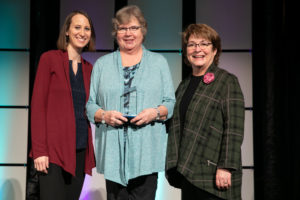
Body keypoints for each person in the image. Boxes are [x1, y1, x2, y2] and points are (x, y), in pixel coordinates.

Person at [86, 5, 175, 200]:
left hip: (147, 151)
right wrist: (104, 115)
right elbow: (90, 105)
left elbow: (170, 103)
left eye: (133, 28)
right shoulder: (102, 64)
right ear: (115, 32)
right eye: (122, 28)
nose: (128, 33)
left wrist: (154, 112)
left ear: (143, 30)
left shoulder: (159, 63)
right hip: (112, 152)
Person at [166, 24, 245, 200]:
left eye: (204, 44)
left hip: (215, 173)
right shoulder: (184, 85)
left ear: (215, 50)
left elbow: (234, 129)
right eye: (192, 44)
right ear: (186, 51)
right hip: (188, 171)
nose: (197, 49)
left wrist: (226, 167)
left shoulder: (226, 81)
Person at [30, 10, 96, 200]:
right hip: (52, 151)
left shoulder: (89, 69)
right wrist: (40, 151)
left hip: (80, 149)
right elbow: (38, 106)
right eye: (77, 27)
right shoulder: (49, 59)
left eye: (87, 28)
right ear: (67, 31)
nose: (82, 32)